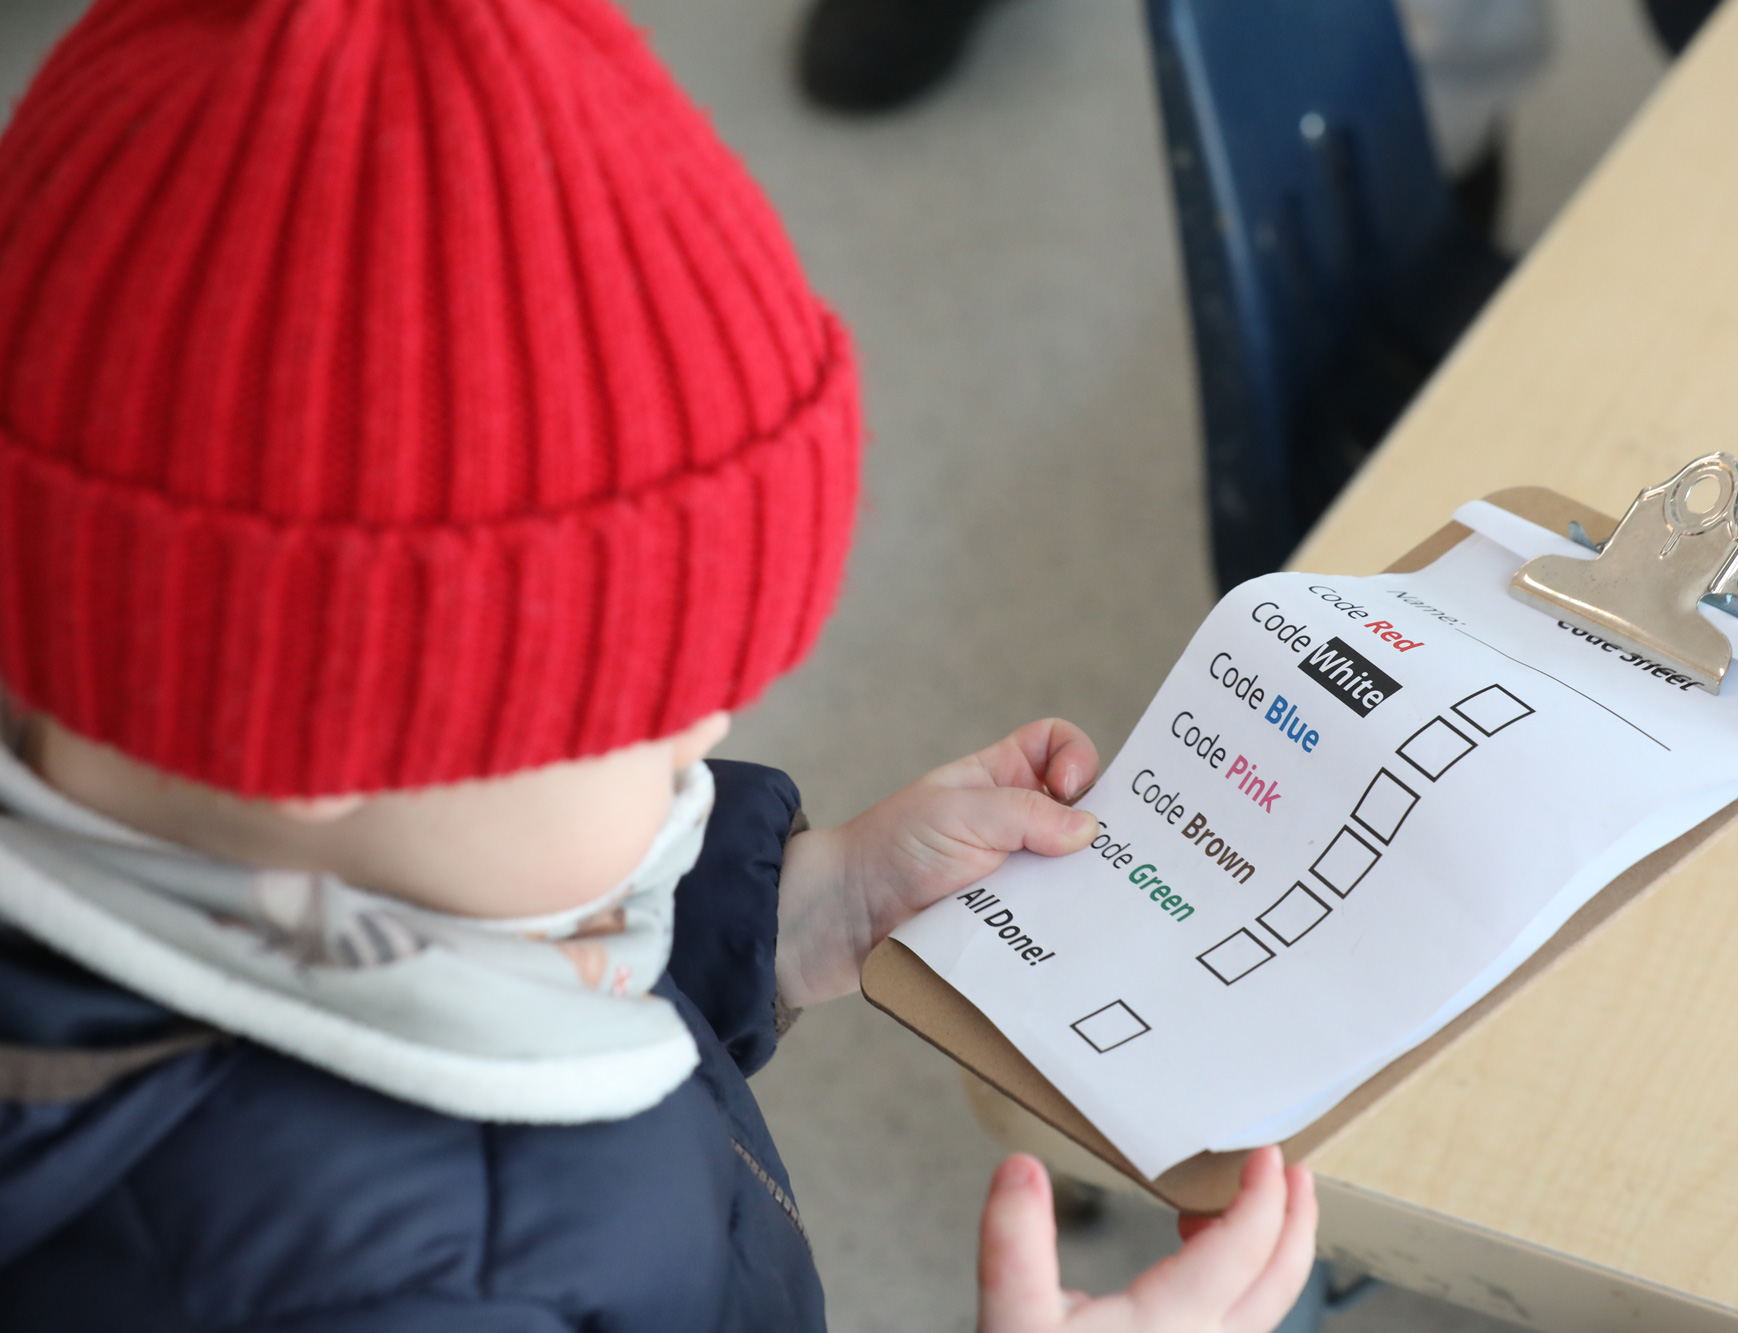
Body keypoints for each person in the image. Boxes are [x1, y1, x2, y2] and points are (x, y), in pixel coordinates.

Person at [0, 0, 1316, 1329]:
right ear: (307, 725)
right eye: (642, 715)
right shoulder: (387, 1296)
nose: (710, 732)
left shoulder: (270, 869)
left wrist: (805, 904)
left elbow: (487, 909)